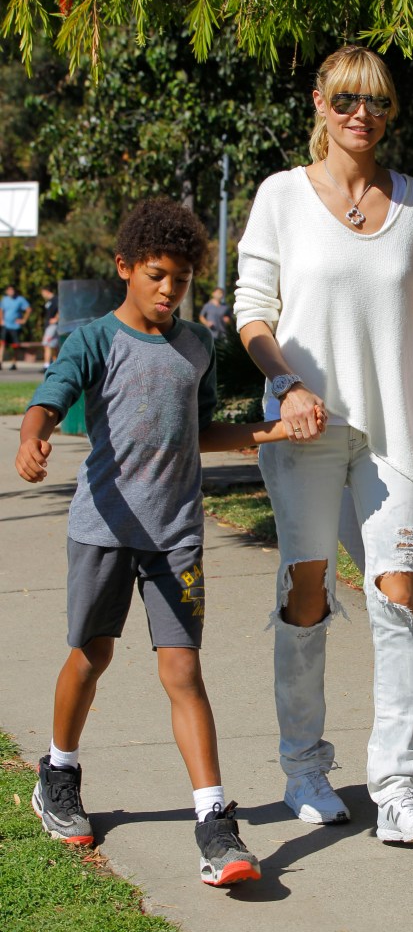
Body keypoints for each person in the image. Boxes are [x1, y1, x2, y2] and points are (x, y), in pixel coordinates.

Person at [14, 198, 309, 887]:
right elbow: (50, 396)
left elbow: (198, 432)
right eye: (155, 275)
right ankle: (57, 771)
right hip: (105, 531)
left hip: (175, 536)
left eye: (179, 278)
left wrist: (269, 432)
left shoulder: (196, 347)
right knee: (92, 656)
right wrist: (33, 436)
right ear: (124, 268)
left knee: (182, 670)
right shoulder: (93, 340)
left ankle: (214, 821)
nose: (168, 290)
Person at [234, 45, 413, 844]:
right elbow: (252, 311)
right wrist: (285, 383)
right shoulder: (281, 196)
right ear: (320, 102)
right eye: (348, 99)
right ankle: (305, 768)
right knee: (308, 591)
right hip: (305, 426)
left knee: (399, 597)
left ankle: (397, 787)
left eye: (380, 103)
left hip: (392, 432)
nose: (364, 115)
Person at [0, 284, 31, 370]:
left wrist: (24, 320)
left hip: (15, 327)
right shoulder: (4, 299)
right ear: (6, 291)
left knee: (15, 346)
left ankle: (14, 363)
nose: (11, 292)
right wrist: (1, 320)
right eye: (9, 290)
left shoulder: (20, 299)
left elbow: (28, 309)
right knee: (2, 344)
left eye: (12, 290)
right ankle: (0, 362)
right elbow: (1, 310)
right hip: (6, 325)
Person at [40, 286, 59, 368]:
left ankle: (46, 365)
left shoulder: (56, 299)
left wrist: (56, 319)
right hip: (49, 326)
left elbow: (61, 309)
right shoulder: (49, 301)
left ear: (46, 291)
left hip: (53, 326)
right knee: (53, 345)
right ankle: (57, 365)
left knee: (47, 344)